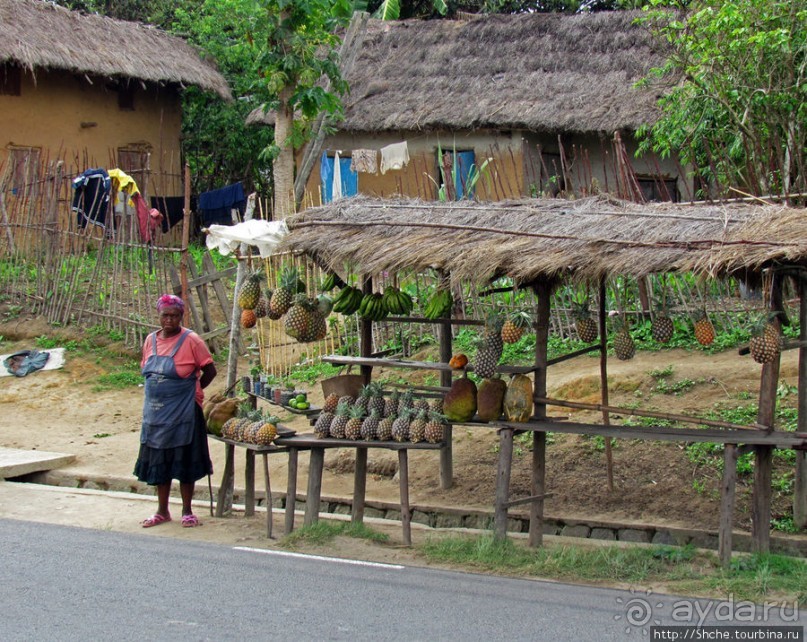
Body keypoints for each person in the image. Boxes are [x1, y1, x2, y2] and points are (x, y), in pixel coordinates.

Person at [135, 294, 217, 528]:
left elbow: (210, 371)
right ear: (158, 316)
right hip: (156, 414)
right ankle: (162, 511)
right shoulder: (150, 341)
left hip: (185, 412)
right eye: (165, 315)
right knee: (160, 460)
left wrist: (192, 391)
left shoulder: (191, 340)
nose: (169, 320)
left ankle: (187, 511)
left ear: (181, 316)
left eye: (174, 316)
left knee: (184, 461)